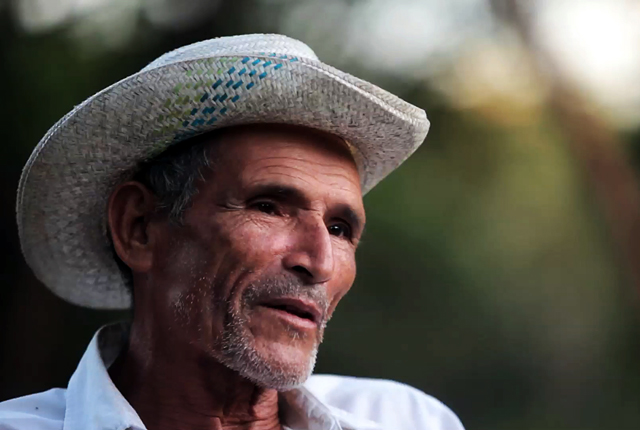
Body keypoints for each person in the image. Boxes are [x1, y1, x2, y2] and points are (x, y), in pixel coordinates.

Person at [0, 34, 464, 430]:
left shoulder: (411, 418)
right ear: (137, 227)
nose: (319, 262)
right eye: (268, 207)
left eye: (340, 229)